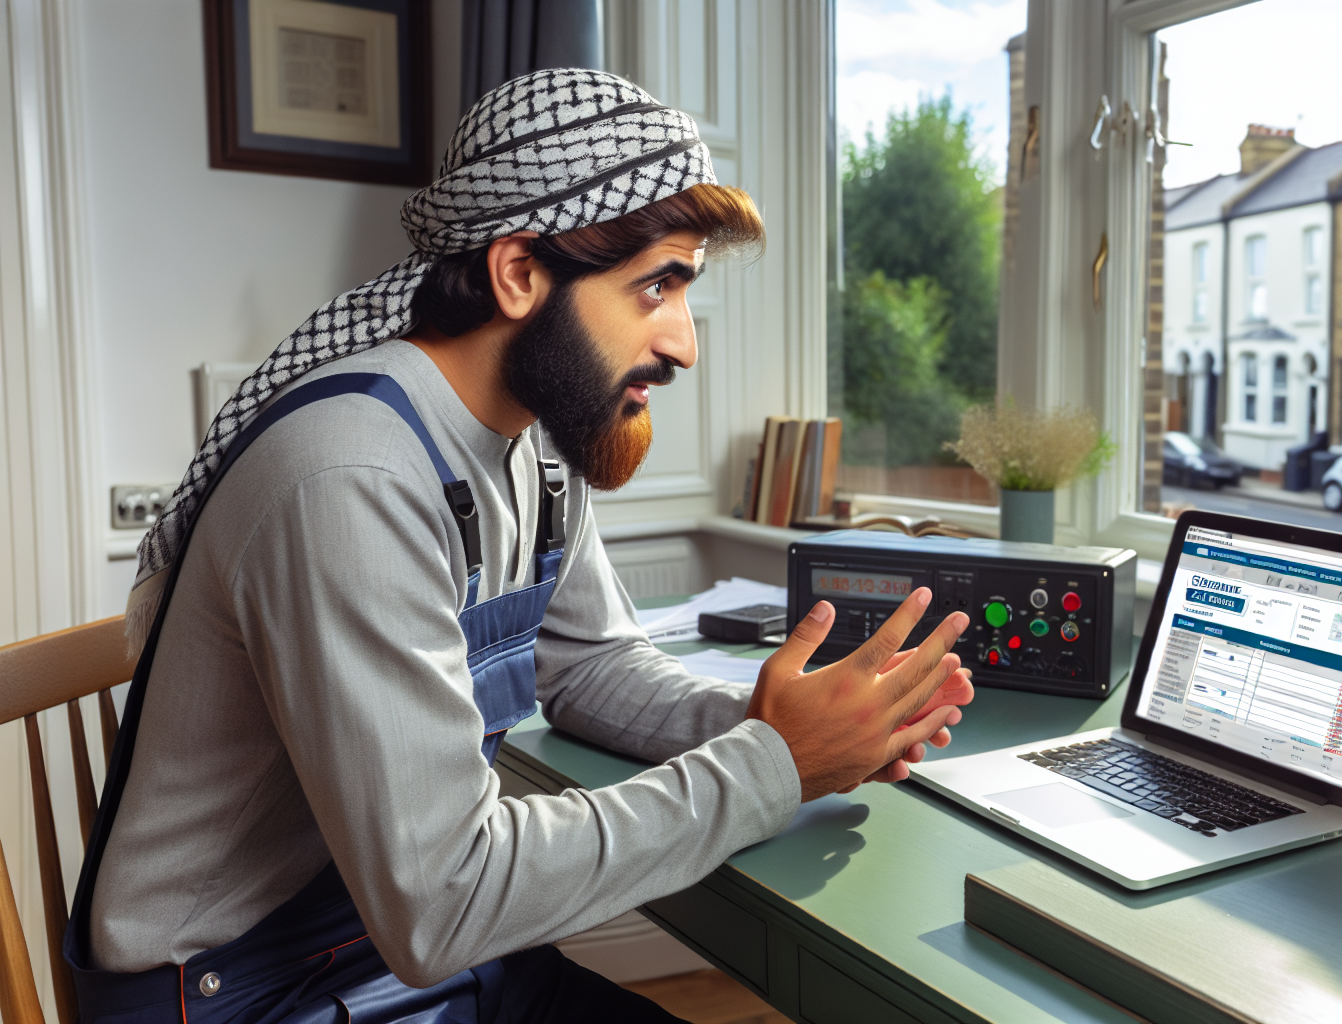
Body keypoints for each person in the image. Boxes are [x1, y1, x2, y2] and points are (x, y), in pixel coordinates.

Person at [65, 69, 974, 1023]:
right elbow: (443, 901)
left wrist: (797, 726)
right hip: (245, 992)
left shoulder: (535, 446)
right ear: (517, 274)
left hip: (405, 952)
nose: (683, 344)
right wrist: (775, 764)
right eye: (656, 285)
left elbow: (593, 670)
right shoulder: (350, 475)